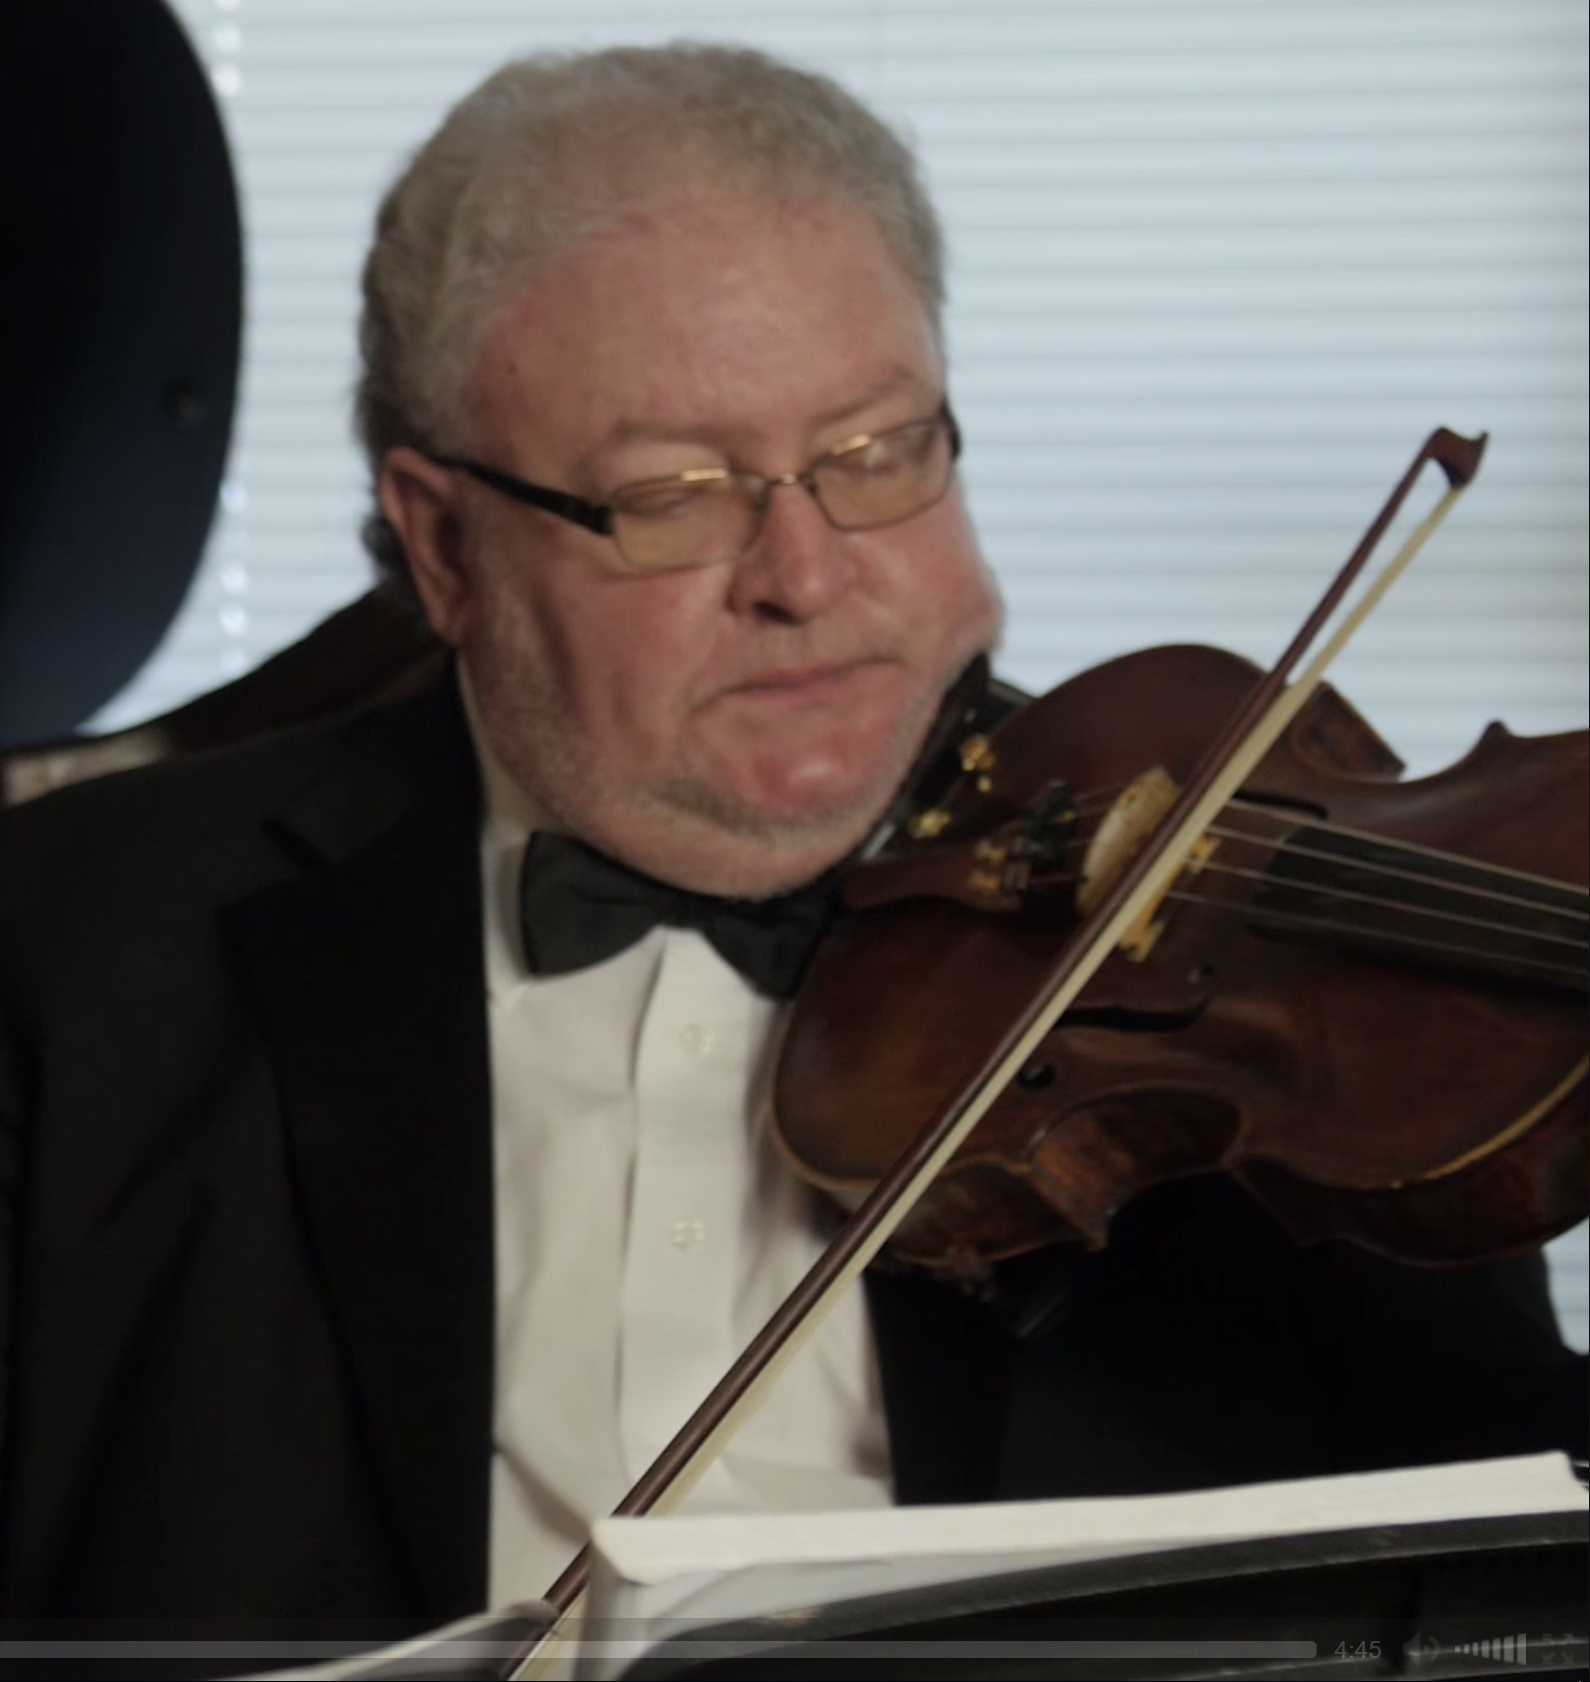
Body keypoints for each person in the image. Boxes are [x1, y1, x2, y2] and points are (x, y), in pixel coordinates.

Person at [0, 42, 1581, 1660]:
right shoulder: (71, 949)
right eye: (673, 494)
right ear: (443, 541)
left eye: (874, 451)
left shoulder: (1285, 1011)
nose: (806, 578)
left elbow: (1514, 1578)